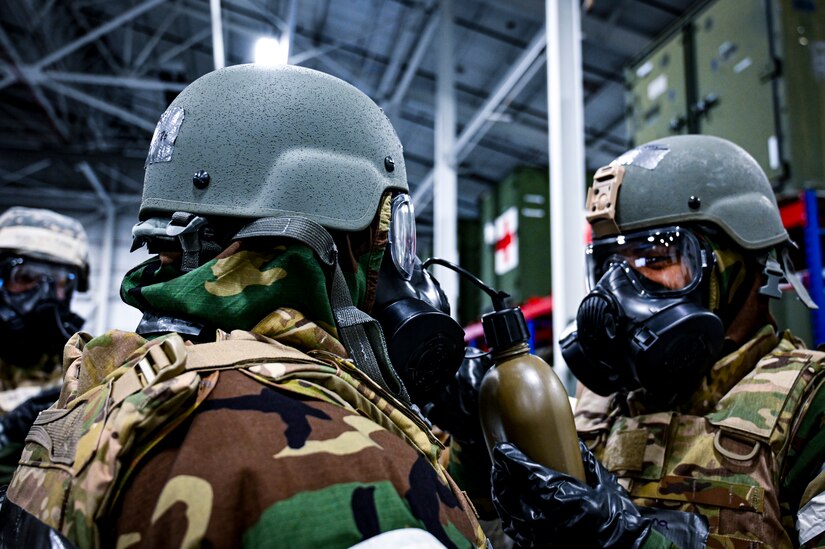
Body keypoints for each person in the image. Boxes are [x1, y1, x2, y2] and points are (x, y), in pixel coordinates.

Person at [2, 64, 485, 548]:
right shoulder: (335, 464)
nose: (402, 269)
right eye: (390, 233)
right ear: (332, 239)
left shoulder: (103, 392)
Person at [490, 134, 825, 548]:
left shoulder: (811, 408)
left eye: (654, 258)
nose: (615, 294)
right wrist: (478, 446)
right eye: (607, 265)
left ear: (741, 261)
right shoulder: (599, 405)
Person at [0, 207, 89, 486]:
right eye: (25, 278)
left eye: (60, 281)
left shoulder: (85, 370)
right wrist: (7, 432)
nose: (45, 297)